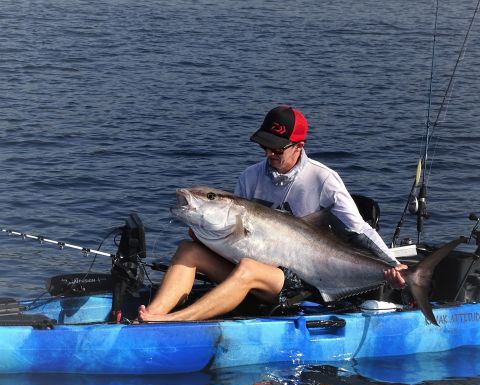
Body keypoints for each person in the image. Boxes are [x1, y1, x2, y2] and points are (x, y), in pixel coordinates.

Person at [139, 105, 406, 322]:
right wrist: (202, 235)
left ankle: (179, 320)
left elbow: (360, 229)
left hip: (299, 282)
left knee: (248, 268)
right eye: (264, 146)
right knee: (188, 249)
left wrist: (391, 265)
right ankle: (153, 316)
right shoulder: (250, 176)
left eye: (277, 148)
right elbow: (235, 239)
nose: (269, 153)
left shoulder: (323, 179)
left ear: (298, 146)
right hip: (246, 268)